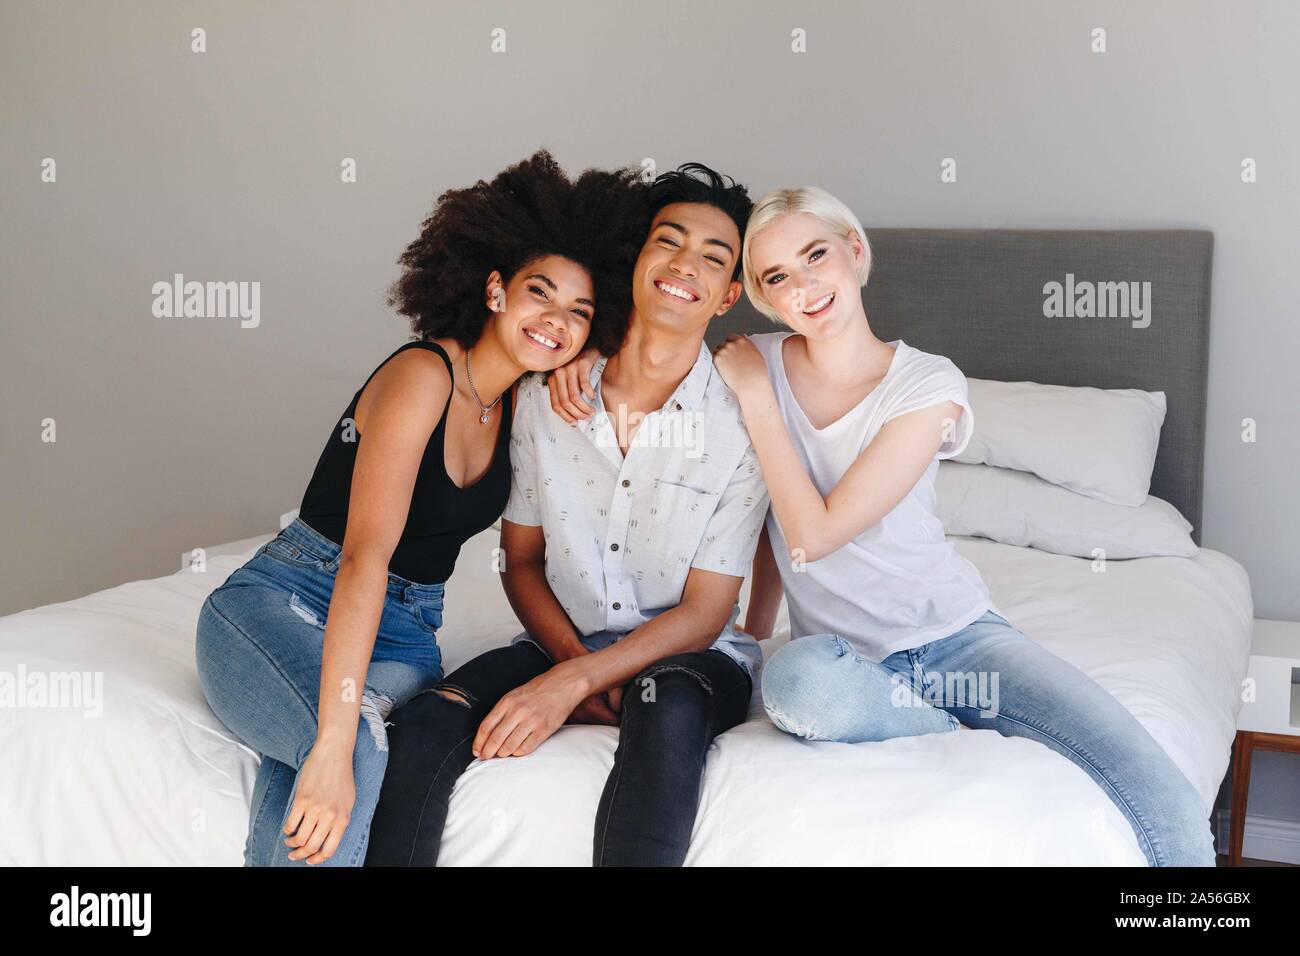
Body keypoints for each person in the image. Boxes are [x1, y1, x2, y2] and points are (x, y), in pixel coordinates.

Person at [709, 185, 1216, 866]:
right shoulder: (755, 361)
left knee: (1156, 787)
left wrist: (756, 400)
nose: (803, 285)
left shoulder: (927, 384)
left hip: (956, 641)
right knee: (794, 687)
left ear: (856, 253)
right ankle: (936, 725)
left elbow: (814, 534)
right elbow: (771, 505)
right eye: (777, 277)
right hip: (845, 664)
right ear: (765, 298)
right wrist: (751, 630)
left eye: (815, 255)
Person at [195, 151, 648, 866]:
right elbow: (362, 558)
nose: (555, 320)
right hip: (286, 599)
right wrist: (336, 742)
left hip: (407, 637)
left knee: (323, 752)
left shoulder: (520, 400)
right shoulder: (421, 375)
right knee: (351, 746)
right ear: (495, 289)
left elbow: (642, 364)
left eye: (578, 312)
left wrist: (585, 355)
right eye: (540, 293)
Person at [366, 163, 770, 867]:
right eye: (667, 242)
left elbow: (707, 611)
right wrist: (572, 661)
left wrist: (577, 682)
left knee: (665, 705)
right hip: (562, 638)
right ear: (635, 258)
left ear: (729, 293)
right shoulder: (545, 395)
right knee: (428, 720)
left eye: (713, 257)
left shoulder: (744, 422)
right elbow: (520, 560)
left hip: (690, 661)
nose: (684, 266)